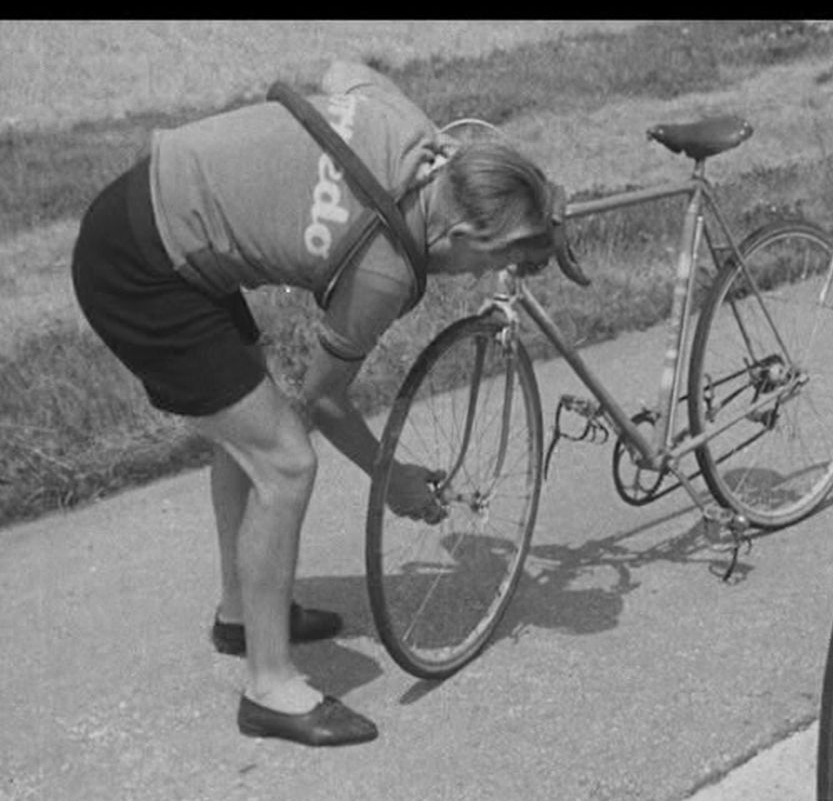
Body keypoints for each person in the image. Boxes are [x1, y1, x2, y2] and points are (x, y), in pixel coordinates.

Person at [72, 60, 560, 748]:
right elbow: (321, 397)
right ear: (459, 237)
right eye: (483, 262)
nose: (476, 277)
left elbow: (344, 70)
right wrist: (388, 478)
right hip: (139, 269)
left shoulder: (411, 133)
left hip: (151, 210)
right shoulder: (385, 269)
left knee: (249, 421)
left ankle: (241, 613)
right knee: (286, 461)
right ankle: (268, 687)